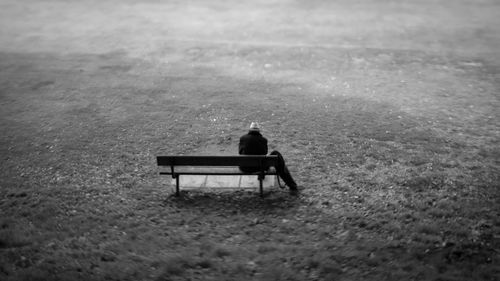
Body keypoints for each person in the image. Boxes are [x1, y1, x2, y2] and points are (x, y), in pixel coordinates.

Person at [239, 122, 298, 193]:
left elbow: (240, 152)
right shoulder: (263, 140)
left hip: (245, 168)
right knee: (276, 154)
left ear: (249, 130)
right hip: (260, 167)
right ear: (259, 130)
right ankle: (291, 183)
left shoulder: (242, 138)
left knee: (264, 159)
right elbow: (265, 153)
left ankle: (290, 183)